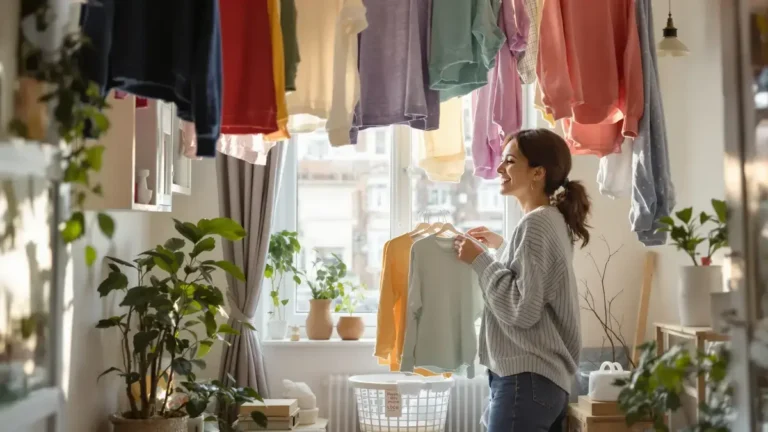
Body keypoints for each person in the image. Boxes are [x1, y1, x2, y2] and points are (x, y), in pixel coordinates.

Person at [454, 128, 589, 431]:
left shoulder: (537, 224)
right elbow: (534, 283)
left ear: (538, 172)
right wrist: (502, 247)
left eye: (510, 161)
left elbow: (522, 309)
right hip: (542, 383)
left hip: (526, 381)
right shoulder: (551, 220)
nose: (500, 168)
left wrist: (480, 259)